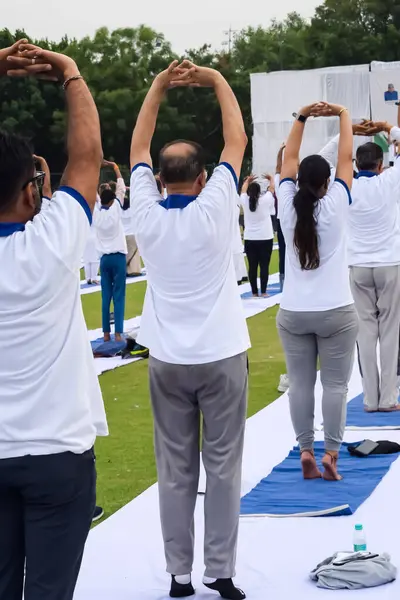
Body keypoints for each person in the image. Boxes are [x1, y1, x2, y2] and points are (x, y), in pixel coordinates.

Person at [130, 60, 250, 600]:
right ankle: (218, 572)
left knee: (175, 469)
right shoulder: (217, 204)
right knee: (222, 470)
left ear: (159, 180)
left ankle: (179, 575)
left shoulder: (149, 215)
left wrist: (158, 86)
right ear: (202, 179)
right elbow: (236, 139)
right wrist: (215, 80)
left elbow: (137, 147)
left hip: (169, 360)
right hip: (222, 353)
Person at [1, 41, 108, 600]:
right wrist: (70, 72)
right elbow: (87, 157)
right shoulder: (52, 241)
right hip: (56, 454)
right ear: (30, 191)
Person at [277, 101, 358, 482]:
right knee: (336, 386)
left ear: (298, 181)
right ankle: (330, 454)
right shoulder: (337, 202)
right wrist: (343, 114)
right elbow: (345, 155)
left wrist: (303, 117)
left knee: (300, 385)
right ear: (327, 182)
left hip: (294, 312)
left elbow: (288, 157)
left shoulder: (287, 207)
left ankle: (305, 448)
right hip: (336, 311)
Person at [347, 113, 400, 412]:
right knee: (389, 332)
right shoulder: (389, 180)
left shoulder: (347, 185)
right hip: (389, 263)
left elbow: (328, 156)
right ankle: (388, 397)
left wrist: (348, 131)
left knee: (365, 334)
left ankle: (370, 399)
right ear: (381, 164)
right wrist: (386, 128)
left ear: (356, 164)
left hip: (358, 264)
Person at [94, 188, 127, 342]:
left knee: (105, 297)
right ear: (112, 200)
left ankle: (106, 334)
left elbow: (92, 192)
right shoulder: (115, 209)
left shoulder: (96, 213)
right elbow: (121, 190)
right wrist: (115, 169)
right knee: (119, 296)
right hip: (118, 257)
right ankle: (118, 333)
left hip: (104, 260)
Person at [240, 174, 275, 297]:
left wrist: (247, 180)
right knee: (264, 265)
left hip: (250, 238)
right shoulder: (265, 200)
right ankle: (264, 291)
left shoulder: (244, 200)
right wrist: (271, 179)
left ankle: (254, 292)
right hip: (265, 237)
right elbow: (272, 189)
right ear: (260, 192)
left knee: (252, 266)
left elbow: (243, 190)